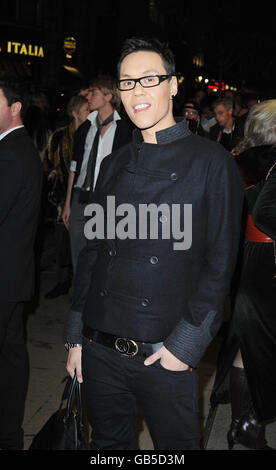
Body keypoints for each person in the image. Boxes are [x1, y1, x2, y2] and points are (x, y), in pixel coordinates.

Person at [63, 36, 244, 450]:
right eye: (127, 82)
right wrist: (76, 336)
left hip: (163, 353)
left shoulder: (211, 162)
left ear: (173, 85)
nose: (137, 91)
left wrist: (184, 347)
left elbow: (220, 266)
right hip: (99, 346)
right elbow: (92, 251)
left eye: (149, 79)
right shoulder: (113, 163)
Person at [210, 100, 276, 450]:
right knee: (258, 344)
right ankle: (247, 424)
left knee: (248, 343)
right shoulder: (269, 162)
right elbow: (267, 215)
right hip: (266, 262)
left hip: (246, 257)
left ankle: (243, 423)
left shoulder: (240, 159)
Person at [0, 72, 42, 449]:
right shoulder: (20, 148)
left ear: (14, 108)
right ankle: (9, 434)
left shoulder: (11, 153)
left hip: (3, 278)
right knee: (12, 358)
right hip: (13, 277)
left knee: (10, 360)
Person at [62, 74, 133, 272]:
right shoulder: (85, 128)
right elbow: (74, 166)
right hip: (80, 197)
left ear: (108, 97)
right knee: (78, 255)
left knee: (101, 255)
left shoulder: (124, 131)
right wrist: (68, 203)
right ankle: (80, 299)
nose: (89, 97)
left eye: (94, 92)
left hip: (106, 201)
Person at [43, 95, 90, 299]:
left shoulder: (92, 133)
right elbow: (49, 165)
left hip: (81, 197)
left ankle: (76, 283)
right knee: (61, 242)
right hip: (61, 197)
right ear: (75, 113)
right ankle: (62, 281)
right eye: (86, 110)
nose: (90, 113)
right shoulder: (60, 136)